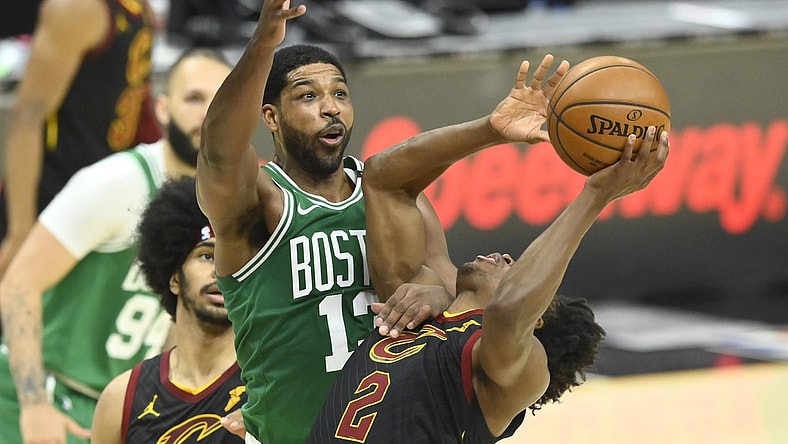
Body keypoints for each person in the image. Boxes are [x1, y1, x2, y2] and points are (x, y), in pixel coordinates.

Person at [308, 55, 670, 441]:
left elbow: (510, 309)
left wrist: (595, 196)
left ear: (537, 320)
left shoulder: (518, 370)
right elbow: (383, 178)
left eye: (518, 268)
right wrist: (492, 130)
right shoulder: (413, 308)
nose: (508, 258)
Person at [196, 2, 458, 443]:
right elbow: (219, 152)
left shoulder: (392, 196)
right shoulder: (262, 201)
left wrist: (438, 294)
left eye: (339, 93)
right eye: (307, 96)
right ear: (271, 117)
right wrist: (263, 43)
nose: (330, 108)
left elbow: (458, 303)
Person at [0, 48, 232, 444]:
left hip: (116, 404)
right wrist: (35, 404)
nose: (208, 113)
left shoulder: (228, 203)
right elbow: (18, 284)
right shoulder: (117, 182)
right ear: (161, 108)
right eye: (194, 98)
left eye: (221, 100)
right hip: (34, 392)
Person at [0, 0, 161, 281]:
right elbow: (27, 118)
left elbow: (136, 99)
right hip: (50, 202)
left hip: (100, 198)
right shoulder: (77, 8)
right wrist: (19, 232)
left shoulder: (140, 8)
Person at [91, 176, 245, 444]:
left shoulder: (270, 387)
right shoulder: (122, 397)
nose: (221, 271)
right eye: (207, 255)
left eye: (233, 259)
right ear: (174, 277)